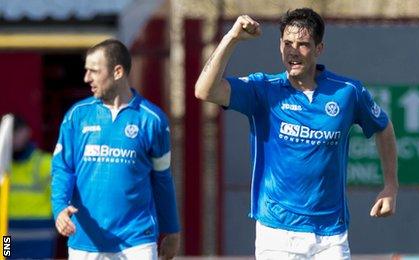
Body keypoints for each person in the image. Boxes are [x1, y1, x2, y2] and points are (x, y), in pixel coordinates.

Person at [195, 8, 398, 259]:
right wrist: (232, 38)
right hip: (276, 232)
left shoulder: (347, 92)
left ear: (319, 49)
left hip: (331, 234)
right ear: (280, 45)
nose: (293, 51)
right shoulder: (264, 89)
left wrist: (390, 187)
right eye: (287, 43)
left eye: (303, 45)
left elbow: (383, 127)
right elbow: (204, 90)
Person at [51, 39, 180, 259]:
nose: (86, 78)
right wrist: (60, 208)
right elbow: (63, 169)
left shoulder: (152, 120)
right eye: (86, 71)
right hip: (86, 240)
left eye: (93, 71)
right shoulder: (77, 115)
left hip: (137, 241)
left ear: (117, 71)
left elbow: (162, 178)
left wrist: (171, 229)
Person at [7, 115, 56, 258]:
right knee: (4, 256)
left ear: (26, 132)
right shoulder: (3, 166)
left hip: (40, 236)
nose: (12, 137)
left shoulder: (46, 163)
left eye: (16, 131)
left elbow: (60, 198)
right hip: (6, 235)